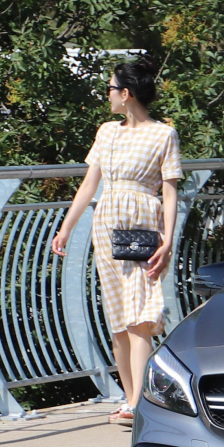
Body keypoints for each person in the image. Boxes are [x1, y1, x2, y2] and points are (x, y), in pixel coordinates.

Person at [50, 56, 180, 424]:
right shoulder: (107, 131)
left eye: (110, 88)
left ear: (125, 93)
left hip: (144, 227)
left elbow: (169, 191)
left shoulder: (163, 134)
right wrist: (66, 227)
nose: (107, 95)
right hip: (107, 227)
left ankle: (140, 402)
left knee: (141, 316)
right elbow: (90, 183)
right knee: (119, 321)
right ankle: (130, 396)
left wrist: (168, 240)